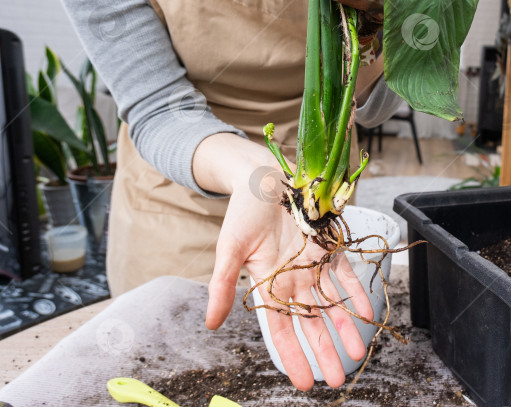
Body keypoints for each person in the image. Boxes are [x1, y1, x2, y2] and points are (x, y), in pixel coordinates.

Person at [61, 0, 401, 391]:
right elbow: (156, 107)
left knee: (320, 363)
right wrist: (253, 175)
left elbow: (380, 105)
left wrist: (375, 14)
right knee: (182, 375)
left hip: (309, 209)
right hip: (177, 191)